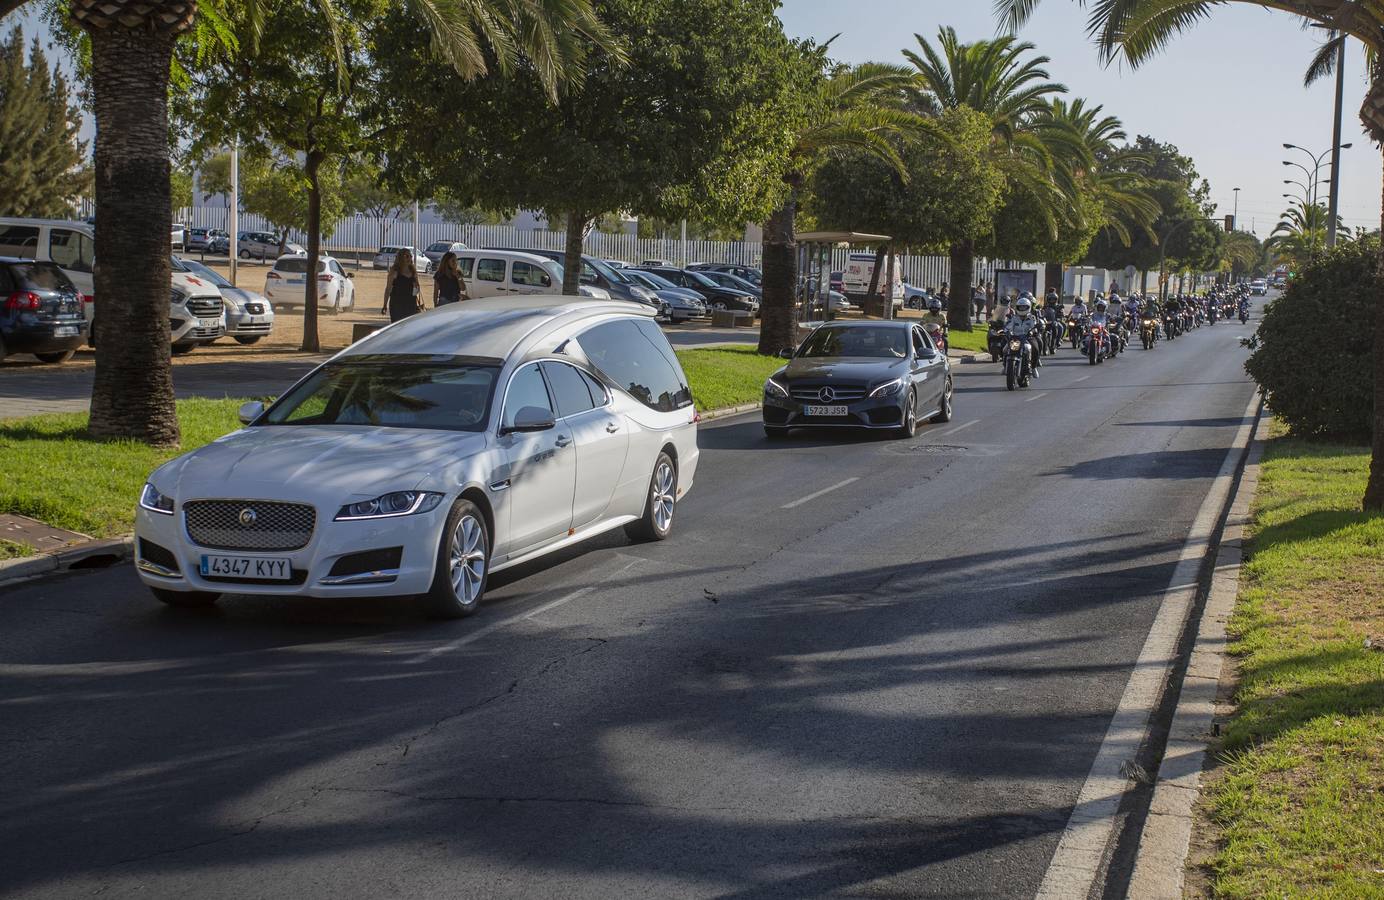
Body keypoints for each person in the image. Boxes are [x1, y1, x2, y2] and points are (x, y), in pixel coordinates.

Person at [1003, 295, 1043, 374]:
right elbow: (1009, 326)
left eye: (1024, 307)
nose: (1022, 309)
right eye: (1020, 307)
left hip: (1027, 338)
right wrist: (1006, 330)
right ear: (1017, 307)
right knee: (1005, 349)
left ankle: (1034, 367)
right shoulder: (1014, 318)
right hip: (1016, 338)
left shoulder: (1032, 318)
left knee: (1035, 348)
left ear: (1029, 307)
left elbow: (1034, 326)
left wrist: (1033, 331)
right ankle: (1005, 366)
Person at [382, 247, 421, 323]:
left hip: (410, 304)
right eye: (406, 256)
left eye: (410, 256)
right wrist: (384, 305)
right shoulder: (394, 272)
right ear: (400, 258)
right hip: (397, 303)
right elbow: (388, 289)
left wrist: (416, 287)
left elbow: (417, 289)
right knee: (397, 325)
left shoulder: (413, 271)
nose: (409, 258)